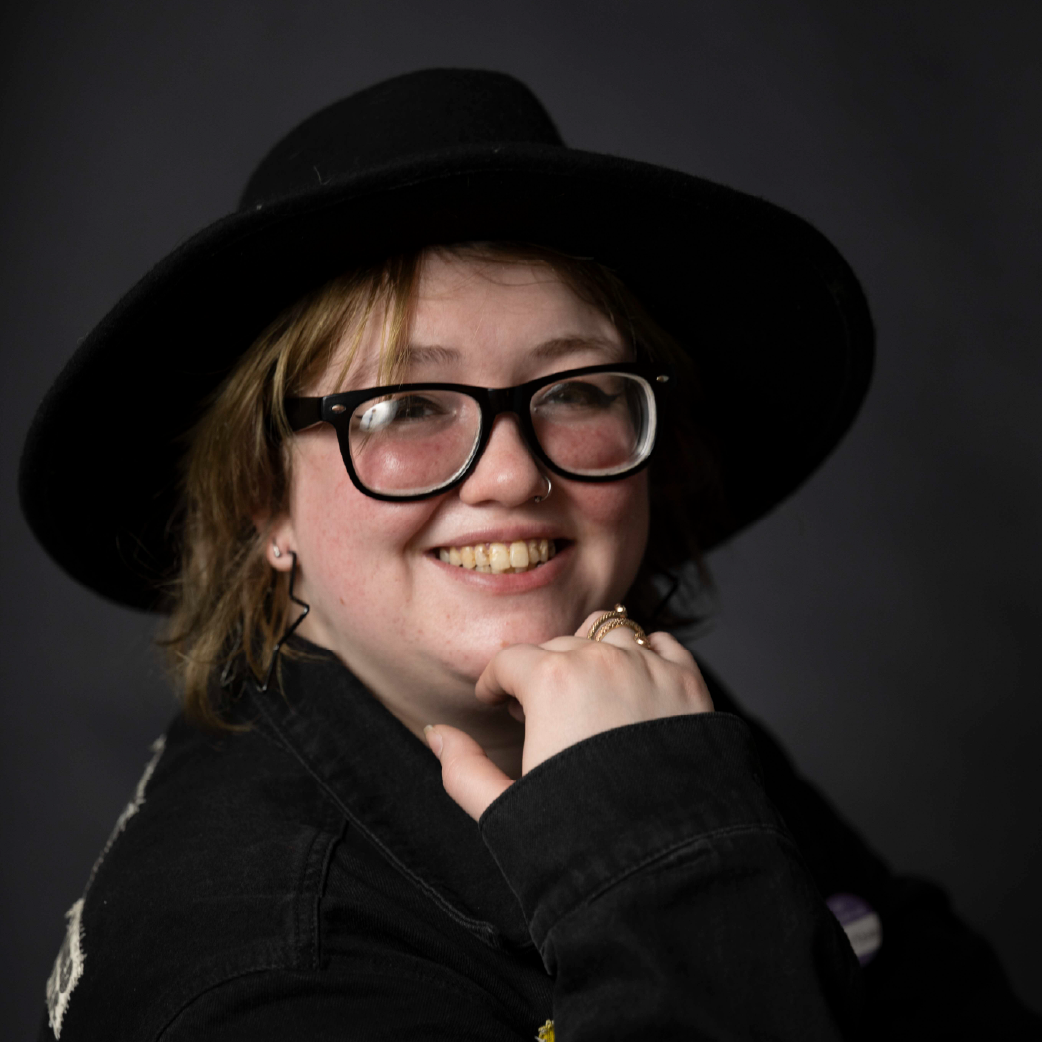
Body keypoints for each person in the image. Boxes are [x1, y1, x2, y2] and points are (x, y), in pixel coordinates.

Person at [20, 68, 1040, 1041]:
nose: (511, 475)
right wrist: (653, 849)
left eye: (576, 390)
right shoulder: (262, 981)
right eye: (403, 406)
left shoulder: (616, 712)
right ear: (260, 501)